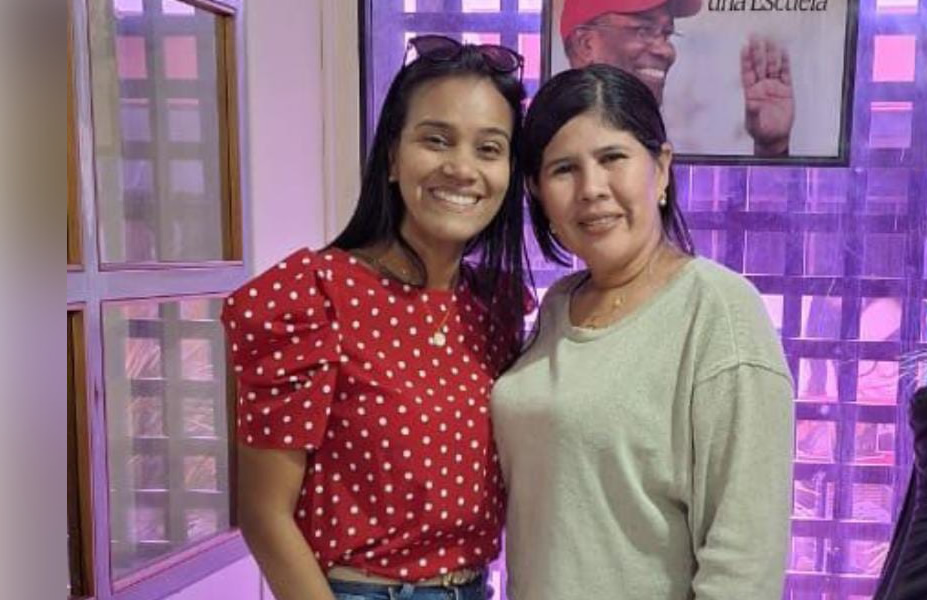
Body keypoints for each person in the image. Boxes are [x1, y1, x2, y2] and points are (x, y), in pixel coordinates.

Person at [220, 35, 530, 600]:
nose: (461, 168)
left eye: (489, 149)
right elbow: (264, 515)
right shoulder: (314, 296)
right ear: (392, 157)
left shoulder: (495, 305)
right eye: (436, 140)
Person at [491, 64, 795, 600]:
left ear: (661, 168)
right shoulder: (559, 305)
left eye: (613, 158)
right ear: (537, 191)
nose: (592, 189)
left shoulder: (719, 311)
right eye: (564, 169)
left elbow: (745, 562)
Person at [559, 0, 796, 157]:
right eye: (643, 30)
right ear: (586, 44)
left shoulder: (655, 149)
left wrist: (772, 148)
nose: (666, 51)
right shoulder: (551, 143)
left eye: (666, 34)